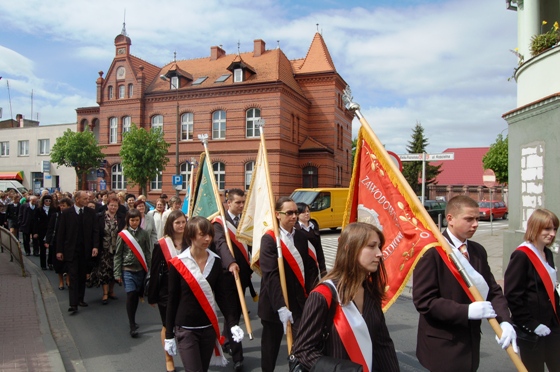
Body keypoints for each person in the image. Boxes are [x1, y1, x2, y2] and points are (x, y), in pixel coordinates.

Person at [413, 195, 517, 372]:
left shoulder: (477, 251)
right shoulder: (432, 251)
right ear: (450, 219)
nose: (475, 224)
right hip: (443, 346)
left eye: (477, 218)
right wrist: (466, 311)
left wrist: (505, 320)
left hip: (470, 343)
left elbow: (492, 290)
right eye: (469, 219)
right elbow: (424, 301)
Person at [292, 222, 399, 371]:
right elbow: (303, 350)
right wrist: (342, 369)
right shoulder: (323, 295)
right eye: (371, 246)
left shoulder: (370, 292)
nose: (379, 253)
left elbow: (383, 345)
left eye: (379, 247)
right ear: (349, 249)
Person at [164, 217, 241, 372]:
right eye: (202, 234)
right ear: (191, 236)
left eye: (210, 235)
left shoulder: (216, 262)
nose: (208, 239)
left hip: (208, 328)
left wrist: (232, 323)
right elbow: (172, 299)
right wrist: (169, 334)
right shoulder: (178, 263)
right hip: (185, 329)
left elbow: (222, 296)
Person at [258, 197, 318, 372]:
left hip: (298, 303)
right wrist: (281, 307)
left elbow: (308, 268)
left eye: (295, 212)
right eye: (289, 213)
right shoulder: (269, 239)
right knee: (270, 349)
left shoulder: (301, 236)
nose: (294, 216)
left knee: (302, 347)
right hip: (274, 304)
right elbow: (271, 276)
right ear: (278, 214)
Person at [504, 208, 560, 371]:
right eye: (547, 229)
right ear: (535, 228)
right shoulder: (522, 255)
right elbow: (513, 295)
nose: (552, 234)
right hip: (533, 331)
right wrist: (531, 324)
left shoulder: (547, 253)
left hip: (553, 326)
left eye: (555, 229)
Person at [211, 188, 252, 371]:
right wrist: (230, 263)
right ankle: (238, 357)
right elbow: (220, 244)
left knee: (235, 312)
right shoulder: (219, 223)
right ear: (229, 203)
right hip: (226, 277)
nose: (241, 206)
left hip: (242, 276)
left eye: (243, 202)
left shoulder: (245, 221)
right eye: (238, 203)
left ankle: (226, 340)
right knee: (232, 315)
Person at [148, 210, 188, 372]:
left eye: (183, 222)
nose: (181, 225)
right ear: (170, 225)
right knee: (168, 324)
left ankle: (187, 355)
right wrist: (152, 296)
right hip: (166, 292)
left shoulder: (191, 242)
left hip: (186, 291)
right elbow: (155, 270)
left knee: (185, 325)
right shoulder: (162, 244)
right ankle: (168, 358)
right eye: (177, 222)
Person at [56, 191, 100, 315]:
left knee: (82, 275)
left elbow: (95, 231)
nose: (88, 200)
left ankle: (80, 298)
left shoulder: (91, 213)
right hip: (71, 250)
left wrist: (95, 246)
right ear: (77, 199)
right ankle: (73, 304)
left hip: (85, 250)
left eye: (88, 198)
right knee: (73, 276)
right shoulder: (66, 213)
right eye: (85, 198)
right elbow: (61, 233)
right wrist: (59, 250)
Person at [114, 208, 152, 337]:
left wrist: (150, 269)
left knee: (136, 295)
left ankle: (133, 319)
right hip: (127, 269)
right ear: (128, 220)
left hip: (140, 269)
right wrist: (117, 273)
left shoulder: (144, 234)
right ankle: (132, 324)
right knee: (130, 294)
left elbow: (147, 252)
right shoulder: (123, 235)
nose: (134, 222)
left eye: (136, 220)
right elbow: (118, 254)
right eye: (132, 220)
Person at [90, 196, 125, 304]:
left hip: (117, 248)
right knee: (104, 270)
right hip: (104, 248)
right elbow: (95, 233)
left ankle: (111, 291)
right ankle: (105, 293)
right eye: (111, 205)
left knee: (114, 270)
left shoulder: (121, 218)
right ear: (107, 206)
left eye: (115, 205)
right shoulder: (99, 217)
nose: (113, 207)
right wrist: (95, 246)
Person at [295, 202, 327, 279]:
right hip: (302, 267)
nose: (307, 214)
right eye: (303, 212)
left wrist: (323, 271)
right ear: (297, 215)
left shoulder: (314, 226)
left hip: (314, 266)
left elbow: (319, 249)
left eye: (308, 211)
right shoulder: (295, 229)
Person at [46, 197, 71, 290]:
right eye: (61, 206)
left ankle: (68, 279)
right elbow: (50, 228)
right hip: (57, 242)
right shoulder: (55, 216)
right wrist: (47, 241)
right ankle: (61, 281)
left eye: (64, 206)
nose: (62, 207)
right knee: (58, 263)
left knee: (68, 262)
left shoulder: (71, 216)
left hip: (68, 243)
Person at [34, 194, 55, 269]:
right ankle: (43, 265)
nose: (48, 202)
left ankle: (50, 263)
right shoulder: (39, 209)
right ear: (43, 201)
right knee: (42, 248)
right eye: (46, 201)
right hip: (41, 230)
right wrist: (35, 232)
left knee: (51, 248)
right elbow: (35, 221)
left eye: (49, 201)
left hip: (51, 230)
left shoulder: (54, 209)